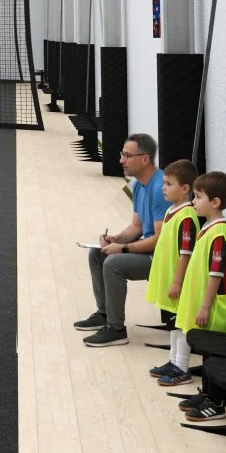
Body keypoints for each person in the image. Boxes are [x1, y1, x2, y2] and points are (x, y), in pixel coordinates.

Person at [75, 133, 168, 347]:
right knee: (97, 253)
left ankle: (116, 329)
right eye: (121, 155)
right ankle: (104, 313)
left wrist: (123, 249)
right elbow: (136, 227)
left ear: (144, 159)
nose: (121, 160)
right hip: (150, 249)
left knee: (114, 263)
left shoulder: (159, 189)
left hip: (162, 257)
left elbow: (159, 241)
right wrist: (114, 239)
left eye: (127, 156)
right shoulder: (137, 185)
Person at [177, 171, 226, 423]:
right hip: (206, 304)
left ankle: (216, 404)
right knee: (206, 351)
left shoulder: (218, 234)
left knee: (214, 353)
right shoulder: (209, 228)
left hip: (214, 306)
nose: (193, 201)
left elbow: (216, 274)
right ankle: (208, 394)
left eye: (199, 197)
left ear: (215, 203)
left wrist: (204, 307)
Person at [145, 160, 200, 387]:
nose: (163, 188)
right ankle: (173, 361)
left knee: (181, 323)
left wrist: (177, 282)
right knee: (172, 322)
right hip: (168, 279)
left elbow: (186, 253)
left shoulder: (187, 217)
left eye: (168, 184)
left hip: (180, 281)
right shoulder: (171, 210)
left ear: (185, 188)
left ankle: (182, 367)